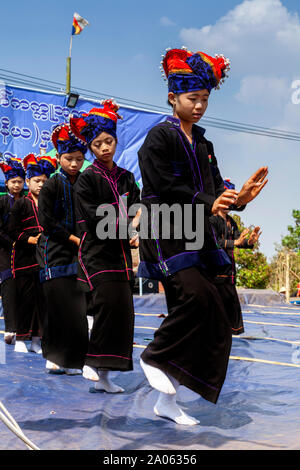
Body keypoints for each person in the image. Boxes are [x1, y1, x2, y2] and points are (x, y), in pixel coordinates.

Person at [137, 47, 268, 425]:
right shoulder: (158, 138)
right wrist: (206, 201)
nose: (199, 106)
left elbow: (214, 190)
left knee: (214, 310)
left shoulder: (205, 145)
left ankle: (169, 398)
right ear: (172, 97)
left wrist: (238, 200)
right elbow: (162, 183)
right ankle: (155, 357)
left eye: (205, 99)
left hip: (199, 233)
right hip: (166, 228)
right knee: (194, 296)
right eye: (193, 98)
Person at [71, 99, 140, 392]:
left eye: (109, 141)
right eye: (98, 144)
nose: (104, 148)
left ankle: (106, 376)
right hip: (97, 253)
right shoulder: (87, 180)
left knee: (124, 313)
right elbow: (95, 218)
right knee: (107, 305)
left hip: (122, 255)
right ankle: (88, 360)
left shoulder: (126, 178)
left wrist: (139, 226)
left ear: (116, 140)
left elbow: (139, 208)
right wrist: (129, 227)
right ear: (91, 148)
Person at [36, 124, 89, 375]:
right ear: (59, 159)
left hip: (79, 252)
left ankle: (74, 360)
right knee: (57, 306)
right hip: (54, 251)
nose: (74, 164)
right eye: (69, 159)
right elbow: (46, 222)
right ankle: (54, 356)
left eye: (79, 159)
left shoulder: (85, 183)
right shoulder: (51, 186)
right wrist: (73, 238)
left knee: (77, 309)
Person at [8, 153, 57, 353]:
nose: (41, 185)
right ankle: (21, 338)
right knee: (25, 300)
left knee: (42, 303)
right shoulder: (21, 204)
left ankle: (37, 340)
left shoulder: (49, 205)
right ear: (28, 181)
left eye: (44, 181)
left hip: (44, 260)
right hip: (24, 260)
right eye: (37, 181)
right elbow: (11, 230)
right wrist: (29, 239)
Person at [210, 179, 261, 335]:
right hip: (215, 273)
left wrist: (249, 241)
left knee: (231, 309)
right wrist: (236, 241)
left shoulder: (231, 222)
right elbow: (214, 242)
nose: (230, 203)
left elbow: (239, 241)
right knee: (216, 310)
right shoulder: (212, 220)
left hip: (229, 272)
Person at [0, 156, 25, 344]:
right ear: (7, 183)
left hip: (25, 250)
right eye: (13, 182)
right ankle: (10, 328)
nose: (16, 185)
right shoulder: (1, 202)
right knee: (8, 288)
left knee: (25, 289)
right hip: (5, 251)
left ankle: (26, 328)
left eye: (20, 181)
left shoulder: (27, 201)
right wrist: (11, 242)